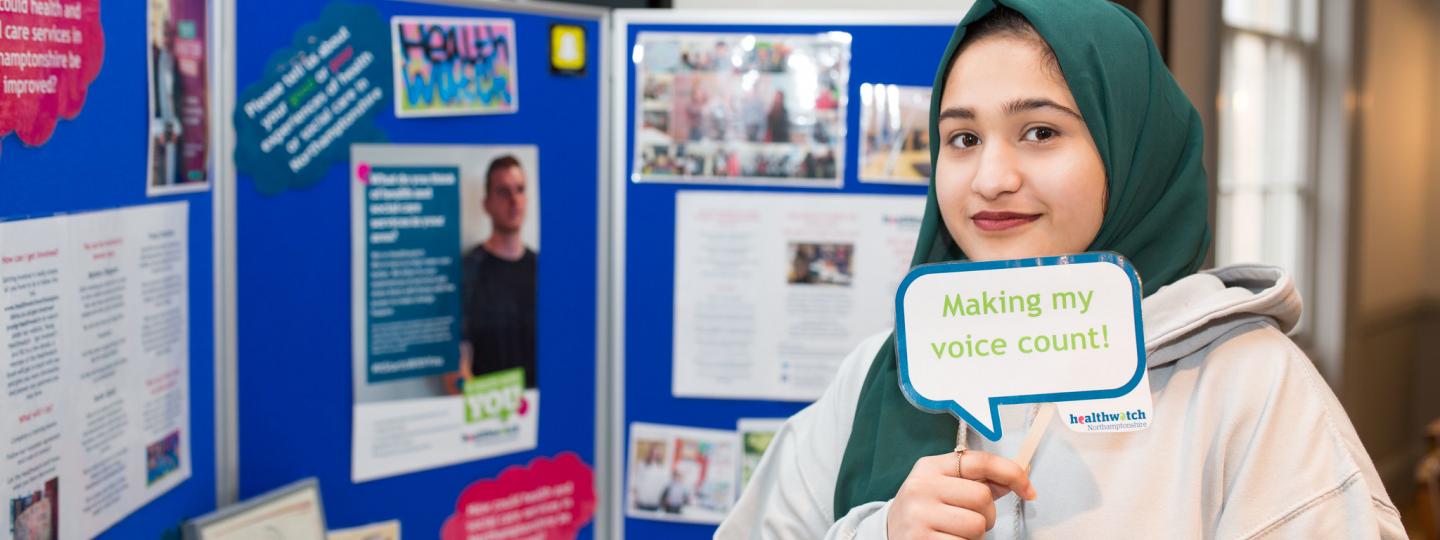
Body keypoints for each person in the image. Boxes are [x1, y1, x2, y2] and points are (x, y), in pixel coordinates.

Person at [715, 1, 1406, 538]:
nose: (990, 177)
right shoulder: (882, 376)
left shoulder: (1246, 384)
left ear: (1130, 149)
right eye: (963, 138)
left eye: (1040, 132)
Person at [459, 155, 538, 389]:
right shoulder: (468, 270)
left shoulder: (543, 269)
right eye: (503, 192)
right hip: (490, 414)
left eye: (520, 190)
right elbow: (456, 365)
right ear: (487, 204)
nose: (514, 200)